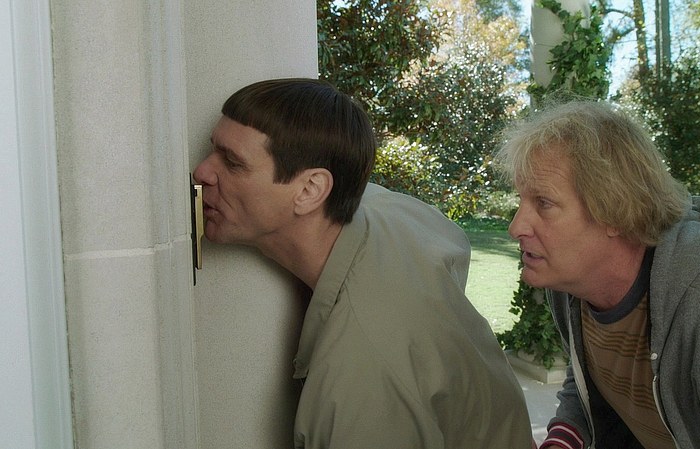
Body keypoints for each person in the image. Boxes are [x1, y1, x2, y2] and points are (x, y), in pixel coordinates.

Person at [192, 78, 533, 449]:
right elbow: (450, 238)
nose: (202, 172)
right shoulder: (390, 212)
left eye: (232, 163)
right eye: (213, 150)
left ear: (310, 191)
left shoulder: (360, 379)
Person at [495, 99, 700, 449]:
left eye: (544, 203)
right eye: (521, 201)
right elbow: (594, 379)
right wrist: (563, 441)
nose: (516, 227)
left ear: (614, 210)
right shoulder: (574, 286)